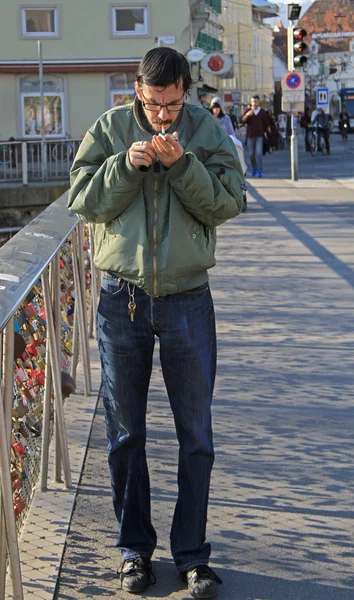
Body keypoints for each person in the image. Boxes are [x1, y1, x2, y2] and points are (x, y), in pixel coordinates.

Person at [68, 47, 243, 599]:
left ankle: (193, 556)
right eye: (152, 105)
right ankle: (134, 551)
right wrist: (127, 165)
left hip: (189, 298)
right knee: (125, 435)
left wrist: (182, 165)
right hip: (123, 299)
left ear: (185, 93)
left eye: (170, 106)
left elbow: (228, 203)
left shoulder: (206, 131)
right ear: (136, 93)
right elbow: (82, 200)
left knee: (196, 438)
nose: (162, 117)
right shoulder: (112, 128)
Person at [241, 95, 270, 177]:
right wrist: (247, 115)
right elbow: (242, 120)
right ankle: (254, 167)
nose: (254, 103)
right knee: (251, 154)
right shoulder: (248, 111)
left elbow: (267, 123)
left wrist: (268, 129)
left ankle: (260, 170)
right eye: (253, 101)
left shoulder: (262, 112)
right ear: (251, 102)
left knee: (259, 153)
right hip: (250, 136)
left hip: (259, 136)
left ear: (258, 102)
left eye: (256, 101)